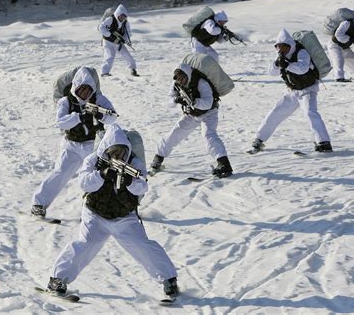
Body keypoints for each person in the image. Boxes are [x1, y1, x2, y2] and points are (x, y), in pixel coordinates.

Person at [46, 124, 180, 300]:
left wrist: (130, 181)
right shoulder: (93, 161)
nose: (119, 156)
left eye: (122, 152)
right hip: (95, 214)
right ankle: (58, 279)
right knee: (85, 244)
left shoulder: (134, 163)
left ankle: (169, 280)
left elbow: (143, 187)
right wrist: (101, 175)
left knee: (142, 245)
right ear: (106, 149)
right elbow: (84, 184)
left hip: (124, 217)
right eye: (114, 152)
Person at [31, 67, 117, 218]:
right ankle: (39, 204)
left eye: (88, 90)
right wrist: (78, 117)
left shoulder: (99, 99)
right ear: (75, 87)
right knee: (60, 173)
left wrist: (100, 115)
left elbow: (112, 117)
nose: (85, 93)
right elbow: (61, 123)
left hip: (93, 145)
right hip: (71, 145)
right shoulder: (65, 102)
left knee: (99, 175)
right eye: (81, 90)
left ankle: (107, 207)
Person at [248, 29, 332, 154]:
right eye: (278, 47)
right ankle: (259, 139)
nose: (281, 49)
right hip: (292, 91)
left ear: (290, 45)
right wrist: (277, 64)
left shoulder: (302, 52)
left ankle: (323, 142)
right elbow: (271, 72)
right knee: (275, 112)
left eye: (284, 47)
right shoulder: (281, 55)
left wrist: (287, 65)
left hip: (307, 90)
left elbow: (302, 69)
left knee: (310, 113)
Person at [150, 64, 233, 178]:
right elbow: (168, 102)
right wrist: (176, 100)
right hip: (191, 114)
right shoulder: (176, 85)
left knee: (209, 135)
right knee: (175, 133)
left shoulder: (201, 83)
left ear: (187, 75)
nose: (181, 81)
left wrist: (194, 102)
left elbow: (208, 103)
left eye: (183, 78)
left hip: (209, 113)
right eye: (178, 79)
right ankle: (158, 158)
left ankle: (224, 164)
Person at [99, 4, 139, 77]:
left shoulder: (125, 23)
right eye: (121, 16)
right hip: (108, 42)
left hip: (118, 43)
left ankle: (133, 70)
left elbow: (128, 33)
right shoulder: (111, 19)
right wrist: (109, 34)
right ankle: (104, 72)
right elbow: (101, 27)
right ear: (117, 14)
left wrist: (124, 39)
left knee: (128, 56)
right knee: (109, 56)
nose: (122, 18)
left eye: (124, 16)